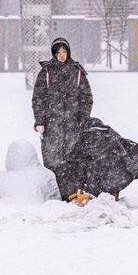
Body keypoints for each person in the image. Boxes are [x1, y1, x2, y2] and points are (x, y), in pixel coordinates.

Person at [32, 37, 93, 187]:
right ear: (53, 53)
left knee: (73, 159)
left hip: (73, 125)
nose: (61, 55)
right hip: (51, 126)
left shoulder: (77, 72)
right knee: (52, 160)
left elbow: (86, 98)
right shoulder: (46, 72)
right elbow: (38, 98)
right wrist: (40, 121)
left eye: (64, 51)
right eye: (58, 52)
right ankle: (53, 190)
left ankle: (73, 191)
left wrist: (82, 119)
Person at [60, 117, 138, 206]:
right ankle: (112, 194)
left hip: (102, 180)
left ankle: (80, 196)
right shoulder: (114, 135)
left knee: (69, 166)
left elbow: (73, 160)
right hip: (120, 180)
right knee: (110, 166)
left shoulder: (87, 135)